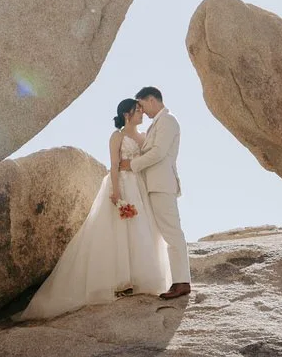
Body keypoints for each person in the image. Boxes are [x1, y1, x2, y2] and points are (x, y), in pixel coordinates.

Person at [17, 97, 170, 320]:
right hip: (123, 184)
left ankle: (140, 279)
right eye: (137, 110)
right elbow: (114, 165)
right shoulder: (117, 136)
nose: (141, 113)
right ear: (127, 114)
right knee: (119, 229)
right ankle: (121, 281)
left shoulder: (144, 136)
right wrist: (116, 192)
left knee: (141, 228)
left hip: (139, 185)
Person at [121, 86, 191, 299]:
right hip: (152, 186)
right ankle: (175, 280)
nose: (142, 110)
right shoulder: (155, 125)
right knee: (163, 233)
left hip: (161, 185)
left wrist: (131, 164)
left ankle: (182, 282)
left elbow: (159, 153)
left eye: (141, 105)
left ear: (151, 100)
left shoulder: (168, 121)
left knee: (172, 232)